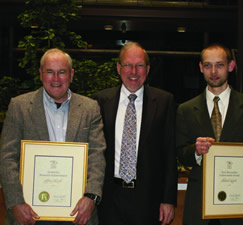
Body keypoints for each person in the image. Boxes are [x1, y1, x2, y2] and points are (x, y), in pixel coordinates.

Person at [0, 48, 106, 225]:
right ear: (41, 74)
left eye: (61, 72)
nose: (56, 79)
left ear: (71, 75)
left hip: (77, 214)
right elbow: (7, 158)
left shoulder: (90, 108)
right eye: (50, 72)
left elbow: (97, 157)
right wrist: (16, 202)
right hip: (29, 214)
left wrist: (91, 197)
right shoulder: (19, 106)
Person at [176, 43, 243, 225]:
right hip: (199, 207)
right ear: (200, 68)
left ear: (231, 66)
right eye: (208, 65)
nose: (213, 71)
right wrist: (196, 152)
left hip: (238, 207)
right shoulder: (185, 110)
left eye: (219, 65)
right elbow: (181, 154)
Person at [92, 41, 177, 225]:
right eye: (128, 65)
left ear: (147, 69)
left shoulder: (164, 102)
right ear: (118, 67)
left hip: (148, 199)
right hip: (109, 198)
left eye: (139, 66)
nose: (133, 72)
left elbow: (169, 154)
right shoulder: (100, 101)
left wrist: (169, 199)